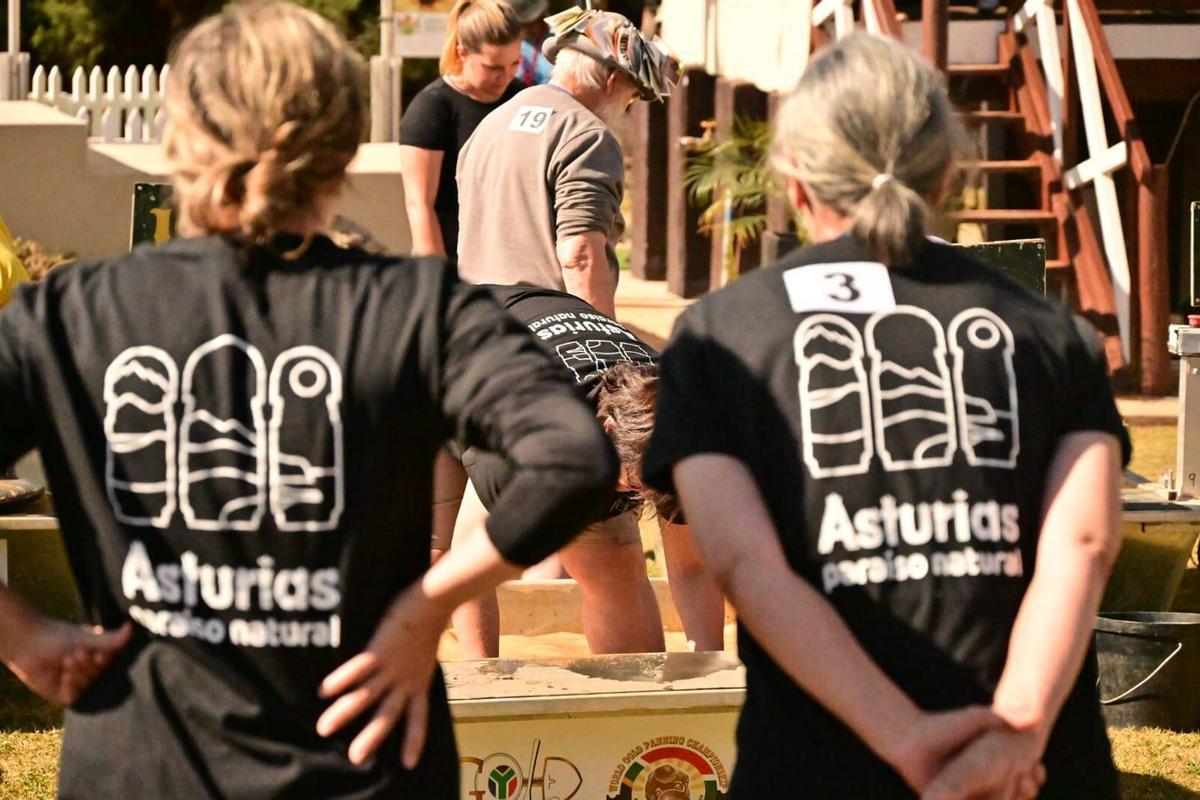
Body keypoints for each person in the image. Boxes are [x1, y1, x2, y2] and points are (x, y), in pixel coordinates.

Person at [0, 5, 617, 798]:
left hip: (142, 767)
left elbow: (570, 461)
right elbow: (573, 458)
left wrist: (24, 637)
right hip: (362, 761)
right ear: (344, 146)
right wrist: (424, 609)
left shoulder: (72, 314)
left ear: (179, 137)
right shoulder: (417, 308)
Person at [643, 33, 1124, 800]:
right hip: (1033, 776)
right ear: (950, 169)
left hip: (816, 771)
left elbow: (744, 565)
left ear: (794, 177)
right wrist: (1016, 733)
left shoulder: (719, 336)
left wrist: (907, 740)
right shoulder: (1053, 331)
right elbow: (1086, 545)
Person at [434, 284, 726, 657]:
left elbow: (693, 569)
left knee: (616, 559)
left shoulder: (680, 428)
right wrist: (486, 676)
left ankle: (634, 690)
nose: (645, 498)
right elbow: (467, 564)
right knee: (437, 557)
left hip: (541, 335)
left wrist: (711, 667)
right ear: (607, 429)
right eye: (637, 484)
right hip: (440, 359)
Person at [456, 7, 681, 317]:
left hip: (477, 321)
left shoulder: (492, 123)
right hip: (548, 328)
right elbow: (580, 256)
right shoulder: (588, 136)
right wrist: (604, 341)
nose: (625, 108)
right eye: (630, 97)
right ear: (613, 80)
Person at [398, 0, 524, 258]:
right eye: (493, 67)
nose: (505, 77)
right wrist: (435, 273)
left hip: (514, 260)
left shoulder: (523, 99)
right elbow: (420, 205)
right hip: (456, 258)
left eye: (514, 64)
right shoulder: (432, 108)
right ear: (463, 53)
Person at [510, 0, 553, 86]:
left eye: (541, 18)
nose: (535, 27)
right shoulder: (504, 41)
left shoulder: (558, 37)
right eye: (528, 24)